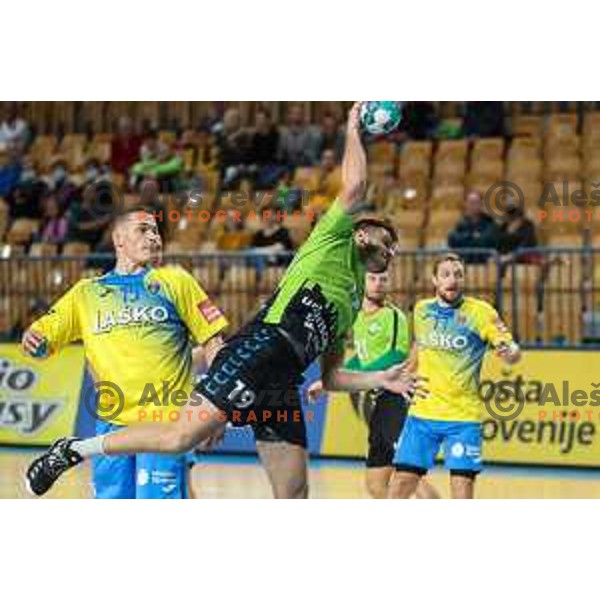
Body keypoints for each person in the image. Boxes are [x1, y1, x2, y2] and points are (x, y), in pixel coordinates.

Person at [26, 102, 423, 499]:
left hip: (283, 382)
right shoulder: (331, 241)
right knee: (178, 438)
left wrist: (380, 379)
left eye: (394, 245)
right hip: (258, 350)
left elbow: (333, 376)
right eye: (382, 237)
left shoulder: (351, 303)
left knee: (295, 495)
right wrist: (353, 127)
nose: (389, 246)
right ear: (358, 235)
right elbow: (354, 188)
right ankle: (74, 450)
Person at [22, 206, 228, 498]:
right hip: (111, 426)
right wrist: (34, 339)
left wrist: (217, 407)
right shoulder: (86, 293)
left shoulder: (176, 281)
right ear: (119, 238)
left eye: (156, 231)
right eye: (143, 230)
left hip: (165, 421)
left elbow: (213, 342)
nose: (153, 237)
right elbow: (42, 340)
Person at [388, 253, 521, 500]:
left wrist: (509, 352)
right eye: (446, 274)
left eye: (458, 274)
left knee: (461, 493)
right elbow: (420, 346)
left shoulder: (480, 313)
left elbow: (512, 351)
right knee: (399, 487)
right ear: (434, 280)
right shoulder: (421, 310)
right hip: (422, 415)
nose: (453, 280)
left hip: (462, 418)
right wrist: (403, 376)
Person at [307, 269, 439, 499]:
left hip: (395, 399)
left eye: (384, 279)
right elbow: (361, 357)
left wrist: (343, 378)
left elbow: (394, 356)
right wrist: (330, 379)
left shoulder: (393, 315)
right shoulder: (355, 317)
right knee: (376, 484)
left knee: (408, 475)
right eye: (373, 279)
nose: (378, 284)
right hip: (375, 403)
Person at [448, 190, 499, 263]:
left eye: (477, 202)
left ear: (481, 204)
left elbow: (488, 242)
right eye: (471, 203)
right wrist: (472, 238)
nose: (474, 206)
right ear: (465, 204)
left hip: (485, 267)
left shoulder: (490, 224)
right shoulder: (460, 226)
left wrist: (469, 240)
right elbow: (454, 242)